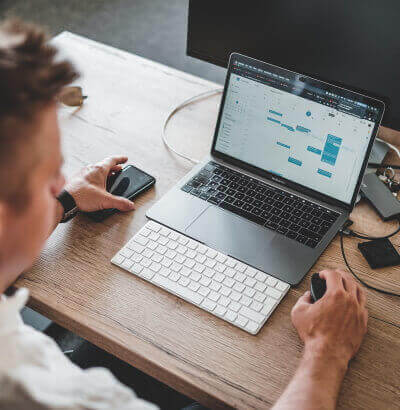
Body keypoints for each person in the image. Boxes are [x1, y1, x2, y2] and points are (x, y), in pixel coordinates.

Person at [0, 19, 368, 409]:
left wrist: (63, 202)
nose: (63, 178)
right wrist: (327, 351)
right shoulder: (45, 393)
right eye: (50, 172)